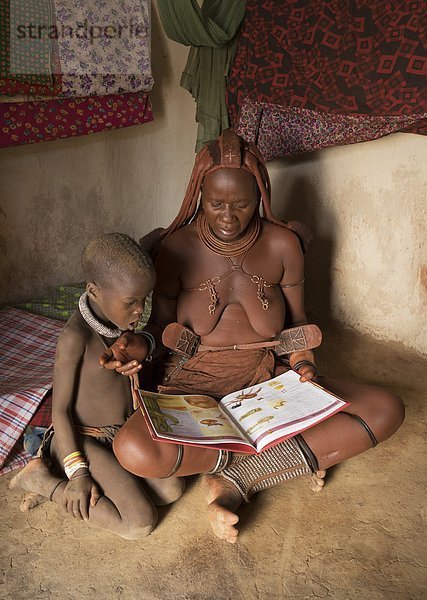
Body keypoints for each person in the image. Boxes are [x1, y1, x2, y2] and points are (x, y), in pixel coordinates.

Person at [101, 130, 405, 544]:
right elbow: (158, 330)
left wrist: (303, 366)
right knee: (133, 449)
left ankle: (234, 477)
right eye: (216, 204)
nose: (228, 216)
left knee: (385, 409)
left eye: (241, 205)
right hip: (193, 384)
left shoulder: (283, 245)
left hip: (267, 379)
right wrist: (136, 346)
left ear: (260, 197)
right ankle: (281, 458)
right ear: (199, 197)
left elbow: (298, 325)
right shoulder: (176, 247)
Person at [9, 233, 184, 539]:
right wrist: (78, 473)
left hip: (120, 434)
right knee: (139, 522)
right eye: (131, 302)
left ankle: (75, 475)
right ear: (93, 290)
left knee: (171, 489)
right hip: (81, 439)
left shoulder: (122, 330)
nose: (139, 310)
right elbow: (60, 411)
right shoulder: (75, 338)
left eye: (144, 299)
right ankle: (42, 481)